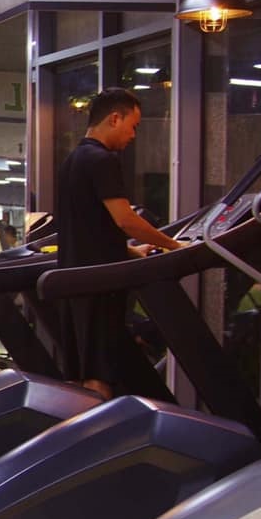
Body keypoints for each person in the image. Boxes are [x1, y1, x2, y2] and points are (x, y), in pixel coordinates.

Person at [57, 88, 183, 399]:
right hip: (101, 285)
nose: (133, 135)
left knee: (80, 375)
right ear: (115, 118)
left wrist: (130, 250)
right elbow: (125, 220)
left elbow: (90, 228)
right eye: (133, 126)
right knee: (99, 378)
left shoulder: (72, 160)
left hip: (74, 281)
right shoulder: (103, 160)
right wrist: (174, 245)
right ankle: (99, 430)